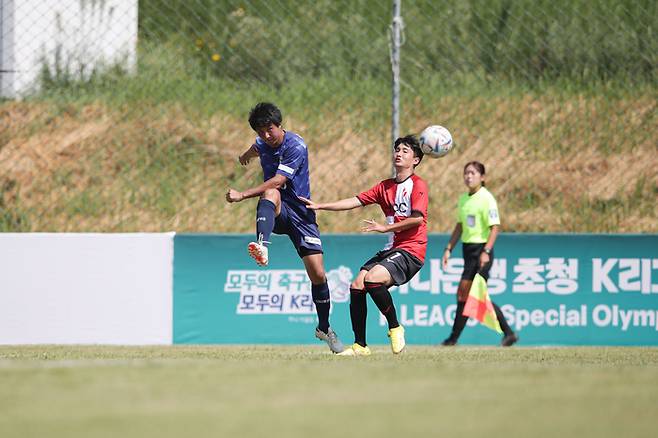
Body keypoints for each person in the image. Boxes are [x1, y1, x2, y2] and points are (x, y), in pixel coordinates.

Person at [225, 102, 344, 354]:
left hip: (302, 214)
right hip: (279, 210)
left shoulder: (296, 146)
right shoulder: (261, 143)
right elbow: (256, 149)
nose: (266, 136)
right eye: (260, 132)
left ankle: (324, 328)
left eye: (269, 129)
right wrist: (245, 156)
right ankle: (262, 245)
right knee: (270, 193)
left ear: (280, 125)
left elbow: (280, 179)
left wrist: (242, 194)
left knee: (318, 275)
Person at [301, 135, 428, 356]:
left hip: (411, 249)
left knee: (372, 279)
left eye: (405, 151)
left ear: (416, 160)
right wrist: (321, 206)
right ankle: (360, 345)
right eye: (397, 149)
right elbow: (354, 201)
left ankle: (395, 327)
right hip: (392, 248)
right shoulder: (385, 187)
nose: (398, 153)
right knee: (357, 285)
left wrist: (384, 228)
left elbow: (418, 219)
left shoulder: (418, 185)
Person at [441, 161, 518, 347]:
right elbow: (460, 226)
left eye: (473, 173)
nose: (469, 176)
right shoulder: (463, 199)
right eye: (466, 173)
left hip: (482, 252)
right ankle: (507, 334)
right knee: (467, 296)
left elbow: (495, 228)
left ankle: (453, 339)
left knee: (470, 295)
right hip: (468, 252)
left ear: (482, 177)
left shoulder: (487, 198)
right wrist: (448, 248)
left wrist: (486, 251)